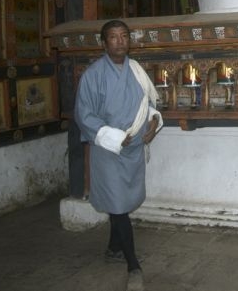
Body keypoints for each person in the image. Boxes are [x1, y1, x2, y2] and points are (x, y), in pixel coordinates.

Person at [74, 20, 163, 291]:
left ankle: (114, 248)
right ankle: (133, 264)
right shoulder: (93, 75)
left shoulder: (136, 71)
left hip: (134, 147)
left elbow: (148, 104)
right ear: (104, 42)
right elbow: (84, 115)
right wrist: (113, 137)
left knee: (120, 202)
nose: (120, 41)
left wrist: (152, 123)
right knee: (119, 204)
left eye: (124, 36)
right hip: (109, 149)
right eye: (113, 37)